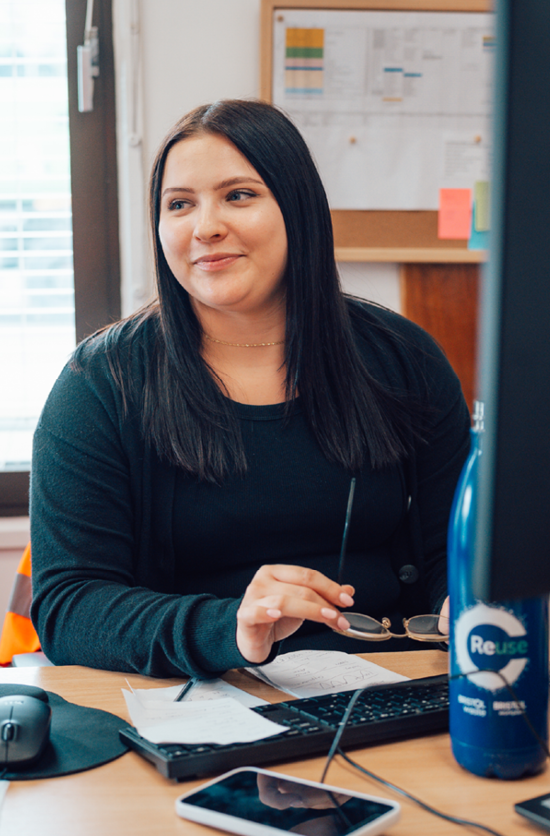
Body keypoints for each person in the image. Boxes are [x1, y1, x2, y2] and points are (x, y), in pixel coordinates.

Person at [29, 99, 471, 677]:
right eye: (180, 204)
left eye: (239, 195)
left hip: (391, 686)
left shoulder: (402, 358)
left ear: (298, 209)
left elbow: (454, 551)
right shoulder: (100, 383)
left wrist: (463, 601)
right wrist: (232, 624)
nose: (206, 226)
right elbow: (69, 609)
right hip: (192, 696)